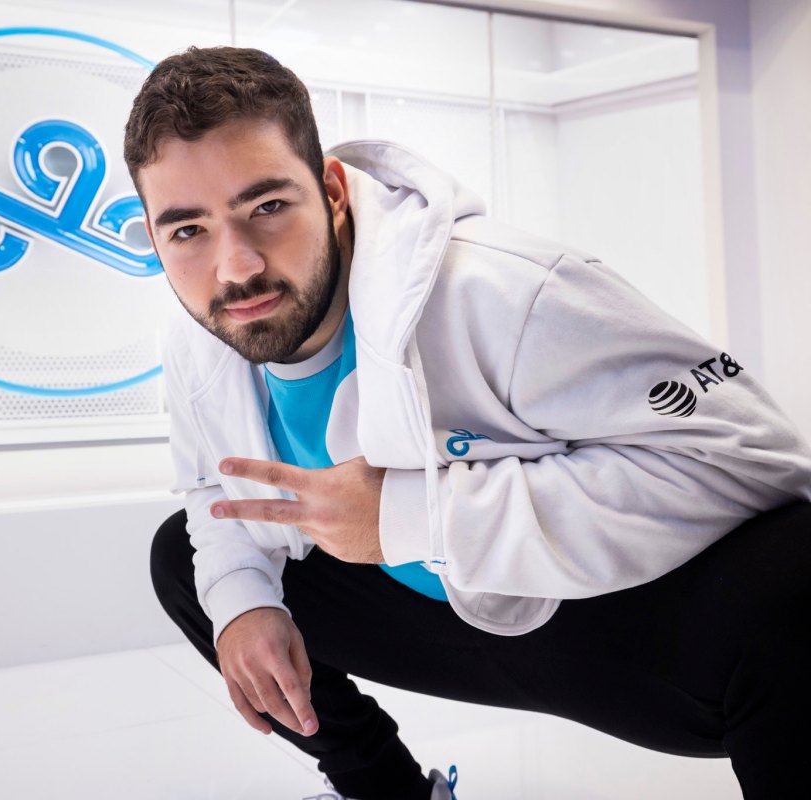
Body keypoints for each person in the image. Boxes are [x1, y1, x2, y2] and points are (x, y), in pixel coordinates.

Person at [123, 46, 811, 800]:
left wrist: (412, 514)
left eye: (267, 208)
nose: (237, 267)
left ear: (331, 192)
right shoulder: (199, 337)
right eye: (188, 230)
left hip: (605, 616)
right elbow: (209, 491)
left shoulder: (503, 291)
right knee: (188, 564)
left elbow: (755, 459)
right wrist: (243, 604)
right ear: (155, 237)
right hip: (441, 621)